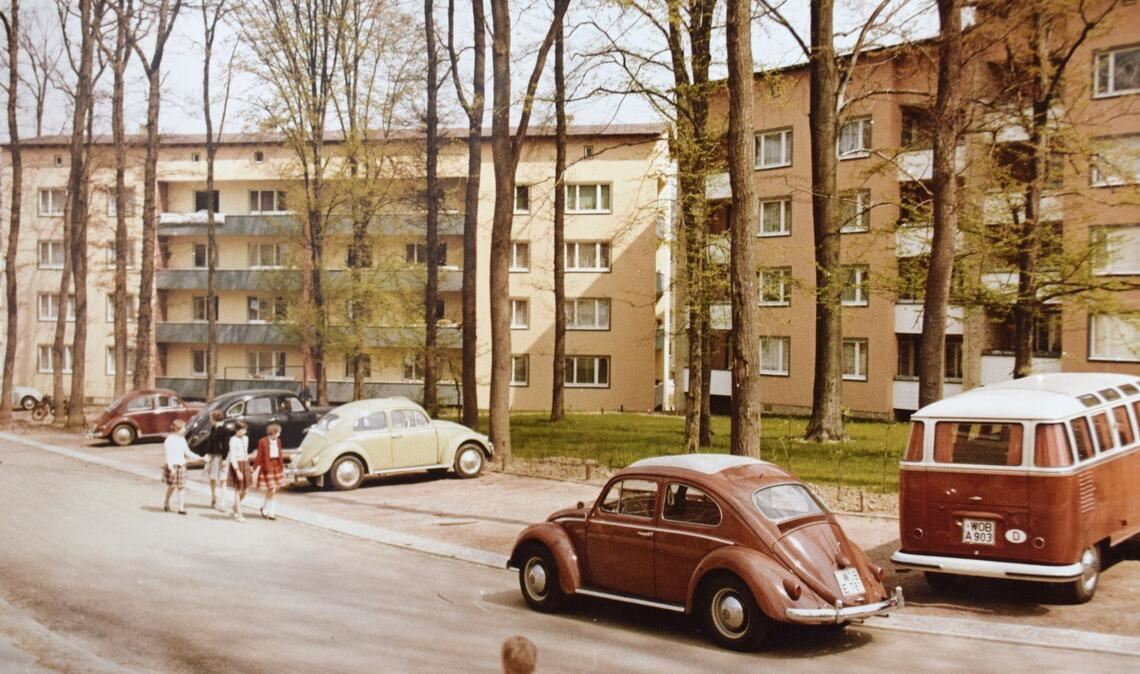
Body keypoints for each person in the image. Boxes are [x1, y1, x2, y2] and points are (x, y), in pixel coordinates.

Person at [251, 423, 286, 520]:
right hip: (267, 466)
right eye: (278, 433)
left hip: (276, 466)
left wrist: (282, 466)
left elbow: (280, 454)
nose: (279, 434)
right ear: (273, 433)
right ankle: (270, 512)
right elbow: (259, 455)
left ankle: (266, 509)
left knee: (272, 490)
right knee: (272, 490)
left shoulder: (278, 441)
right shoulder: (262, 441)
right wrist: (254, 467)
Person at [162, 419, 196, 515]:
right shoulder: (169, 440)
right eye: (183, 428)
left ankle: (181, 508)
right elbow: (168, 455)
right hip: (173, 466)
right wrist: (171, 468)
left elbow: (187, 452)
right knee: (172, 486)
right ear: (177, 429)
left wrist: (199, 457)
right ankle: (166, 501)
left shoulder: (182, 439)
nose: (185, 430)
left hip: (181, 465)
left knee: (181, 487)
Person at [205, 410, 232, 510]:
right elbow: (210, 443)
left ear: (214, 419)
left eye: (210, 418)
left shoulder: (224, 430)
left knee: (223, 479)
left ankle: (222, 502)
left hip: (221, 456)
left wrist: (224, 458)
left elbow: (226, 445)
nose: (209, 420)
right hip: (213, 456)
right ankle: (214, 496)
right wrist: (208, 453)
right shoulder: (213, 428)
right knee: (212, 477)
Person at [227, 421, 253, 522]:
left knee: (246, 491)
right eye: (242, 430)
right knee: (237, 490)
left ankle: (234, 508)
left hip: (245, 463)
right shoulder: (233, 440)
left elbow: (246, 453)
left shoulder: (246, 438)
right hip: (237, 464)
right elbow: (232, 456)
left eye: (245, 430)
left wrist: (249, 466)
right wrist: (237, 470)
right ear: (236, 430)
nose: (244, 432)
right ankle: (239, 515)